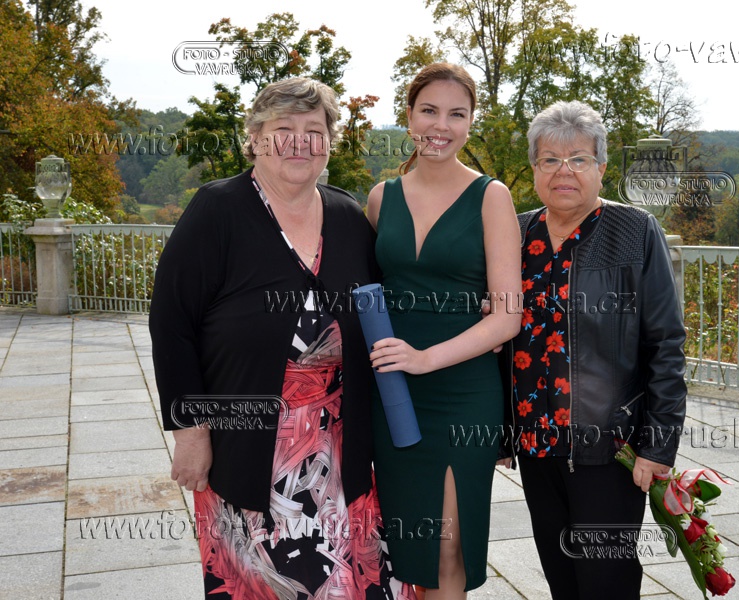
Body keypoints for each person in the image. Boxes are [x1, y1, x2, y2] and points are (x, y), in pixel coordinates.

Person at [149, 77, 414, 600]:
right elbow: (172, 323)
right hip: (246, 448)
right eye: (283, 128)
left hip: (340, 454)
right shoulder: (218, 210)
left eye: (314, 130)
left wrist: (470, 311)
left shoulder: (347, 216)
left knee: (351, 586)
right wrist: (191, 434)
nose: (300, 142)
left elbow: (389, 300)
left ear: (330, 141)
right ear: (254, 138)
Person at [503, 99, 687, 599]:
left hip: (610, 448)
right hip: (537, 447)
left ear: (601, 168)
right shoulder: (514, 232)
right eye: (550, 159)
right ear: (534, 168)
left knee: (607, 583)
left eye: (578, 159)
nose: (563, 171)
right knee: (562, 581)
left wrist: (657, 447)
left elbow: (665, 343)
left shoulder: (634, 231)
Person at [365, 62, 522, 599]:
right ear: (408, 116)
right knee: (412, 550)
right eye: (429, 110)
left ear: (471, 122)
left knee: (450, 546)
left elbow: (507, 315)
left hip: (462, 394)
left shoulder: (491, 196)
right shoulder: (380, 198)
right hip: (393, 393)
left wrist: (424, 358)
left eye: (457, 114)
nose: (441, 125)